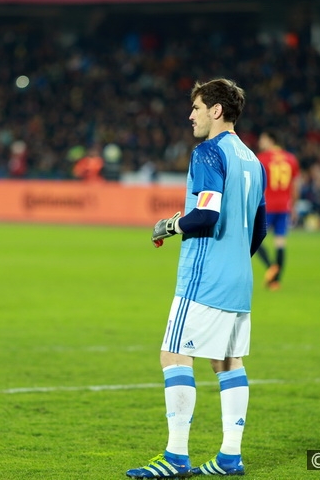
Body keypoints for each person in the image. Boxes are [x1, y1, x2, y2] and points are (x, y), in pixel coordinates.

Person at [127, 78, 267, 478]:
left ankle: (175, 456)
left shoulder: (208, 152)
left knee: (173, 353)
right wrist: (235, 260)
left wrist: (168, 226)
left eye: (197, 108)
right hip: (239, 281)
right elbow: (259, 230)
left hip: (204, 278)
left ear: (216, 111)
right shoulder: (253, 161)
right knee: (226, 361)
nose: (191, 115)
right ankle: (229, 457)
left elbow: (206, 216)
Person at [255, 130, 300, 290]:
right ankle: (275, 281)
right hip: (284, 207)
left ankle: (270, 267)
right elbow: (295, 186)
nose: (260, 142)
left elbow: (257, 185)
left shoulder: (262, 159)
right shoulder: (291, 159)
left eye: (262, 139)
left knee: (254, 238)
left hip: (267, 206)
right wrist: (293, 206)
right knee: (280, 242)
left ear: (270, 140)